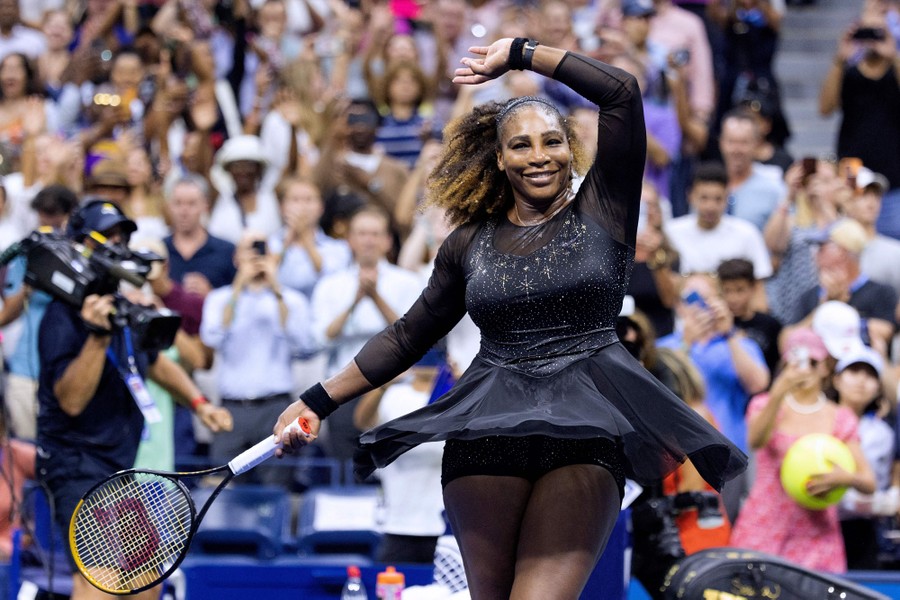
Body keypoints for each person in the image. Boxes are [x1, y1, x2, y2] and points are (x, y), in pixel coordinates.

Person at [274, 38, 746, 598]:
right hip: (486, 430)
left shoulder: (605, 209)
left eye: (551, 141)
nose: (538, 155)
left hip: (585, 429)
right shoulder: (467, 244)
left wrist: (521, 53)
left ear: (571, 151)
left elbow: (621, 92)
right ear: (500, 159)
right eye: (520, 145)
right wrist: (317, 400)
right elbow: (408, 335)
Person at [35, 198, 233, 600]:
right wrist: (97, 336)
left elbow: (155, 363)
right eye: (107, 235)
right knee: (101, 586)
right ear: (80, 244)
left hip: (121, 469)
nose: (118, 243)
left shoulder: (122, 306)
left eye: (122, 235)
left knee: (146, 583)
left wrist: (199, 404)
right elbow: (71, 401)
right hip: (77, 465)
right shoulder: (63, 314)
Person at [730, 328, 876, 573]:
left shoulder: (840, 417)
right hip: (765, 526)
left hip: (817, 535)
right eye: (797, 361)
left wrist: (844, 478)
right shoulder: (763, 404)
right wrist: (778, 392)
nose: (805, 369)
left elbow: (868, 482)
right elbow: (755, 441)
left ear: (825, 368)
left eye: (813, 362)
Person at [664, 161, 772, 279]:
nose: (710, 207)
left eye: (718, 199)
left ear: (727, 198)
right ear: (690, 196)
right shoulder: (671, 232)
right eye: (703, 198)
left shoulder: (747, 233)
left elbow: (760, 281)